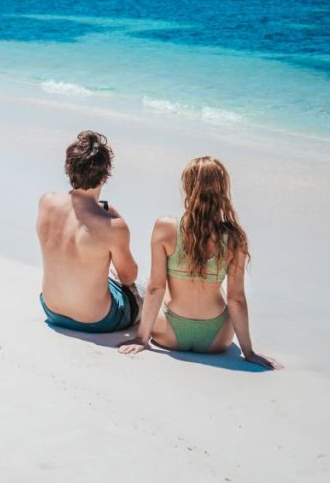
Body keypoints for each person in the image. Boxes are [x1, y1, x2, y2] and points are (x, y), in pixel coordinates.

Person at [119, 156, 278, 368]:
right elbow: (236, 299)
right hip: (216, 339)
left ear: (187, 188)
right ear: (222, 191)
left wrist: (142, 339)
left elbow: (156, 288)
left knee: (157, 283)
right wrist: (248, 352)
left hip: (168, 334)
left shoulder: (165, 227)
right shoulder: (234, 238)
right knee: (219, 291)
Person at [37, 130, 140, 333]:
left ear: (69, 169)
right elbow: (129, 278)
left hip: (51, 309)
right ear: (105, 176)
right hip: (97, 319)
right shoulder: (112, 226)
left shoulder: (46, 202)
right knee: (143, 291)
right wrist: (113, 216)